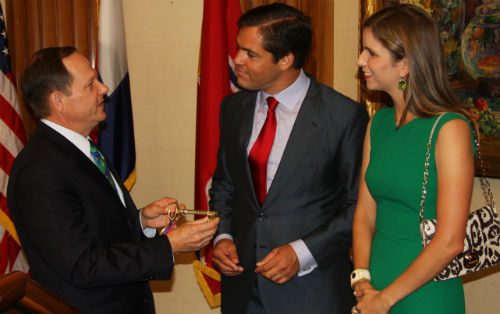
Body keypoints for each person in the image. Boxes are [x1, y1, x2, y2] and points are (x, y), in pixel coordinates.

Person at [7, 46, 219, 314]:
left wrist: (142, 222)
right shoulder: (39, 171)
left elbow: (95, 232)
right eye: (90, 84)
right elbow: (82, 266)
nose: (105, 88)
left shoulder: (83, 149)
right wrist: (169, 245)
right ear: (58, 101)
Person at [209, 3, 369, 314]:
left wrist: (302, 252)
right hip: (242, 290)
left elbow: (360, 208)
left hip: (311, 293)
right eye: (238, 48)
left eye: (250, 54)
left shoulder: (343, 116)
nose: (237, 61)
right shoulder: (232, 109)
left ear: (286, 59)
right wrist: (223, 236)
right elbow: (225, 186)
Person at [351, 4, 476, 314]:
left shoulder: (450, 129)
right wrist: (362, 278)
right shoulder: (378, 123)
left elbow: (450, 241)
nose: (360, 61)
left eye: (371, 53)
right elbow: (365, 213)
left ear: (404, 65)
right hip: (373, 289)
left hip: (425, 294)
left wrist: (385, 299)